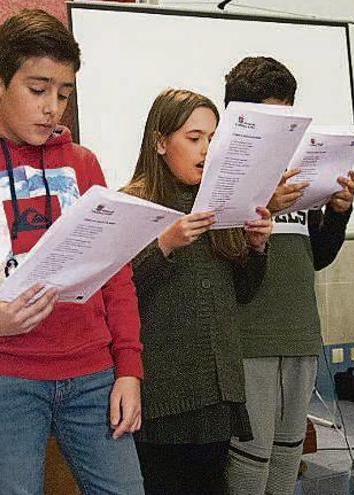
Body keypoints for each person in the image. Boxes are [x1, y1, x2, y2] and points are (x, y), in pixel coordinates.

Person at [0, 9, 145, 494]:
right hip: (4, 378)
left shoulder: (83, 165)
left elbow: (115, 274)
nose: (52, 108)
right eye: (38, 90)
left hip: (92, 373)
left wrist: (129, 369)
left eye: (64, 94)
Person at [221, 56, 354, 495]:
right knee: (249, 462)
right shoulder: (225, 168)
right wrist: (265, 203)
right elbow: (222, 255)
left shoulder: (298, 167)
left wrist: (338, 213)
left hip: (298, 332)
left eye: (290, 116)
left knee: (286, 459)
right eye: (273, 117)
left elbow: (315, 256)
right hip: (250, 337)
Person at [124, 88, 272, 495]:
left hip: (216, 389)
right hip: (162, 391)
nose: (206, 150)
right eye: (194, 138)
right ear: (159, 142)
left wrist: (257, 249)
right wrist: (164, 245)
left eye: (212, 138)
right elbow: (117, 296)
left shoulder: (221, 204)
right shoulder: (133, 203)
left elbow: (242, 293)